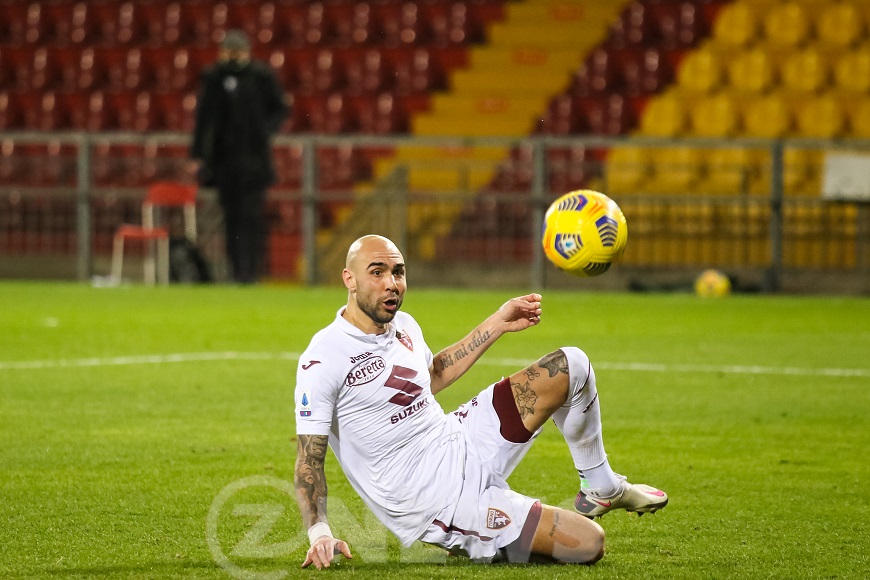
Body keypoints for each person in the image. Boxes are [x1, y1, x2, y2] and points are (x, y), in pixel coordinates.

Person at [294, 235, 668, 569]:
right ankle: (481, 537)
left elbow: (433, 374)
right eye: (377, 272)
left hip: (458, 437)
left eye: (398, 272)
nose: (392, 284)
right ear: (349, 279)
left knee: (570, 365)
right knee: (588, 544)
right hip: (435, 498)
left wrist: (498, 323)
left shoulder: (404, 325)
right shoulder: (323, 358)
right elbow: (309, 460)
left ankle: (600, 487)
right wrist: (319, 533)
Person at [190, 29, 288, 284]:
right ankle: (237, 272)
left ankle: (250, 272)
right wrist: (199, 154)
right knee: (232, 218)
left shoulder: (261, 76)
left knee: (251, 217)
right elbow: (203, 118)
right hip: (224, 162)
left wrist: (263, 133)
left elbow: (279, 108)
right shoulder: (213, 77)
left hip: (254, 162)